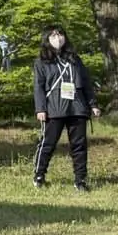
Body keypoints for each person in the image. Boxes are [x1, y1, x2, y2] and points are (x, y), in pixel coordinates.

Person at [33, 26, 99, 191]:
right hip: (54, 107)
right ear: (47, 39)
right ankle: (39, 175)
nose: (58, 38)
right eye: (54, 35)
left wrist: (93, 104)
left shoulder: (75, 59)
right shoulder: (42, 61)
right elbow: (38, 87)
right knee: (48, 143)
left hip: (76, 106)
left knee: (79, 145)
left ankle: (80, 180)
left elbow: (86, 83)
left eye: (60, 34)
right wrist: (40, 109)